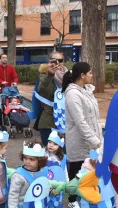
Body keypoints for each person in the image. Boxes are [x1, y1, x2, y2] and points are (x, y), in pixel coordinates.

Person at [61, 62, 103, 208]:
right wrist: (96, 142)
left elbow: (94, 119)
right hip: (80, 144)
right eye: (90, 72)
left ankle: (87, 202)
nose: (92, 75)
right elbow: (80, 122)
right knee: (77, 177)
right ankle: (72, 202)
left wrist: (98, 139)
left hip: (91, 143)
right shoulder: (72, 94)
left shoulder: (86, 91)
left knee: (90, 178)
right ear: (82, 75)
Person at [36, 52, 68, 146]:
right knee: (50, 155)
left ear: (63, 62)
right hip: (49, 121)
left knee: (63, 153)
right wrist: (50, 75)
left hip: (65, 120)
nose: (58, 63)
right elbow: (42, 89)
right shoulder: (44, 75)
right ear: (49, 61)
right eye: (55, 60)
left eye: (60, 60)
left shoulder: (68, 76)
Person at [8, 140, 48, 208]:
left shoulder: (43, 171)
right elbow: (13, 195)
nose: (27, 161)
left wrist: (50, 191)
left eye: (31, 159)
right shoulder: (18, 175)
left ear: (40, 160)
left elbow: (45, 185)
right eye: (25, 158)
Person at [0, 53, 18, 130]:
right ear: (0, 59)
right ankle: (1, 123)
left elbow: (15, 76)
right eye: (3, 58)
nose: (5, 59)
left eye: (6, 58)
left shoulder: (11, 68)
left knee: (9, 106)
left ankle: (9, 120)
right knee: (0, 108)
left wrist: (15, 82)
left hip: (9, 91)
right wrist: (1, 82)